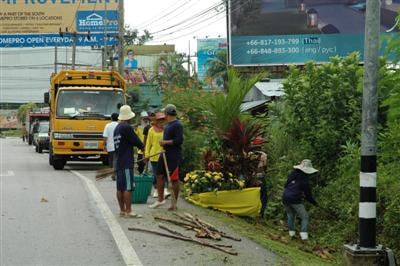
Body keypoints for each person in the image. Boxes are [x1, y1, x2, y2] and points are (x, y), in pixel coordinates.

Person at [150, 104, 183, 211]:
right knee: (159, 175)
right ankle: (160, 199)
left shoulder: (177, 125)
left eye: (165, 113)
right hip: (164, 153)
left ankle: (174, 203)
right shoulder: (168, 124)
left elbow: (179, 141)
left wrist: (165, 142)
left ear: (167, 113)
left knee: (174, 179)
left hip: (173, 155)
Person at [113, 105, 144, 218]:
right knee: (128, 187)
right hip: (126, 162)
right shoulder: (126, 127)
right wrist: (143, 147)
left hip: (119, 161)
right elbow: (136, 141)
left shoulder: (117, 128)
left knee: (120, 187)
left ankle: (122, 210)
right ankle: (129, 210)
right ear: (128, 117)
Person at [282, 159, 318, 240]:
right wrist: (314, 202)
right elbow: (308, 194)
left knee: (291, 215)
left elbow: (286, 185)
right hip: (295, 199)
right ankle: (304, 236)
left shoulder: (292, 174)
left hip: (285, 197)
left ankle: (291, 234)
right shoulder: (304, 179)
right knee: (305, 216)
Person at [145, 112, 170, 198]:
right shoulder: (151, 130)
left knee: (165, 174)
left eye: (163, 120)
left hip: (164, 155)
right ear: (156, 121)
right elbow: (148, 143)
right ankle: (156, 190)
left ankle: (165, 190)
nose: (161, 122)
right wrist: (147, 154)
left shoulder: (167, 129)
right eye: (159, 120)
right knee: (156, 174)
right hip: (154, 156)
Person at [103, 113, 119, 180]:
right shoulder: (119, 125)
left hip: (110, 147)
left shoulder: (108, 125)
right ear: (118, 118)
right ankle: (115, 174)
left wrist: (104, 145)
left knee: (111, 161)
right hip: (118, 146)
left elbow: (105, 136)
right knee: (117, 160)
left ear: (111, 118)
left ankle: (113, 174)